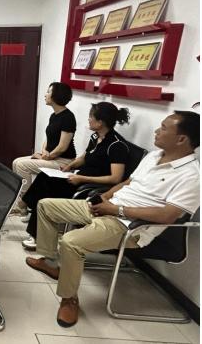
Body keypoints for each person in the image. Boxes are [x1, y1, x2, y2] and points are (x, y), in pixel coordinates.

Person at [26, 111, 200, 328]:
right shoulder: (154, 156)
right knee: (46, 206)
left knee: (71, 242)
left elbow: (167, 215)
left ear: (181, 139)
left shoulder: (192, 176)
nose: (157, 130)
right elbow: (129, 182)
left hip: (130, 226)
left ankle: (69, 299)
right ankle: (51, 262)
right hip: (110, 207)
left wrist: (116, 210)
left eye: (163, 128)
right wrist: (106, 197)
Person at [21, 102, 130, 250]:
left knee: (46, 191)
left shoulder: (116, 145)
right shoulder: (96, 137)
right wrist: (70, 166)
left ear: (100, 122)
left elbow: (115, 178)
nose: (88, 119)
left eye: (90, 116)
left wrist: (82, 179)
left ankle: (38, 234)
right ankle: (30, 210)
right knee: (44, 178)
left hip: (90, 187)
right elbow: (84, 158)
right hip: (79, 179)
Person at [12, 82, 77, 221]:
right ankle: (24, 202)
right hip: (51, 157)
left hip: (63, 161)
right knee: (16, 162)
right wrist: (43, 152)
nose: (45, 95)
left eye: (48, 92)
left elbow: (63, 147)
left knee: (22, 165)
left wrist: (47, 157)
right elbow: (48, 138)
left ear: (56, 95)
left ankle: (24, 204)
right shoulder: (54, 115)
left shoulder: (68, 117)